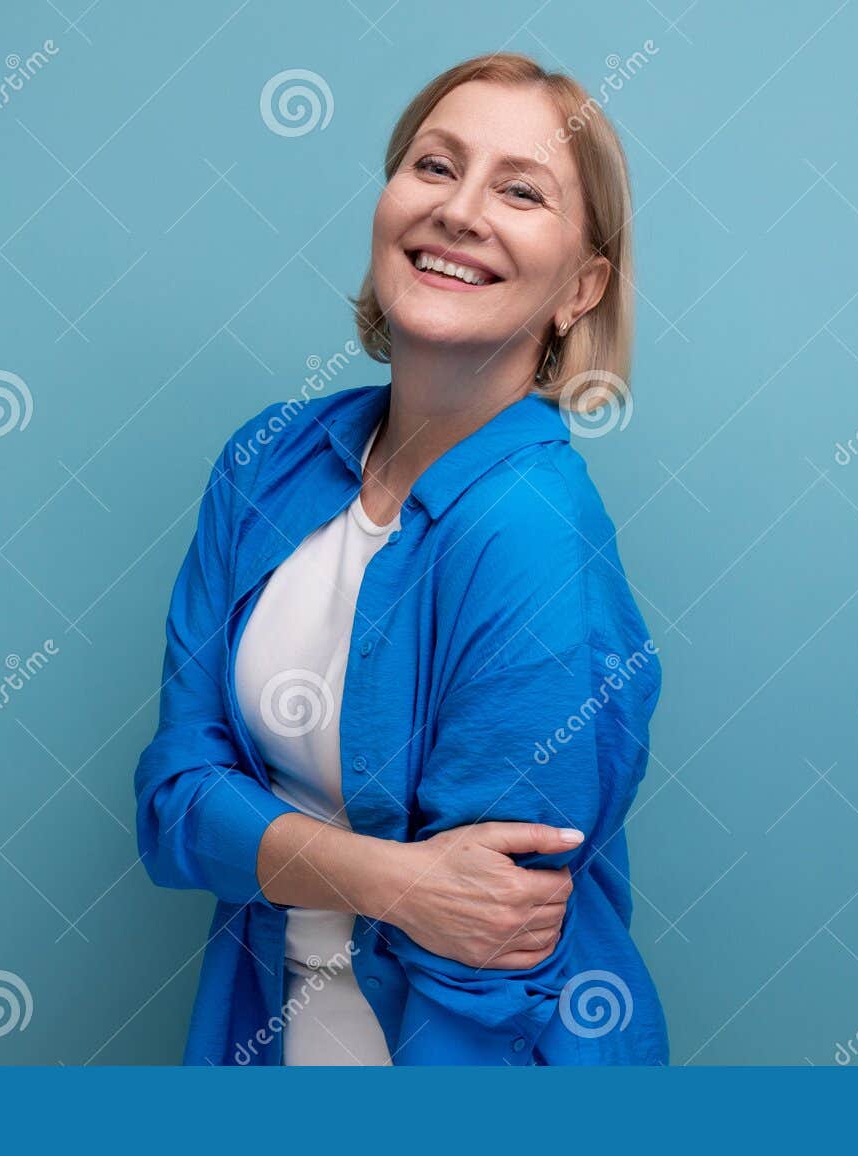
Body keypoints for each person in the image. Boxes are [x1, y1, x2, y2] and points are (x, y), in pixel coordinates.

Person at [134, 51, 667, 1065]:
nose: (460, 211)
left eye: (520, 189)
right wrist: (393, 880)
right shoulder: (266, 461)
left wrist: (295, 857)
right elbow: (172, 803)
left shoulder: (530, 531)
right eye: (434, 166)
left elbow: (486, 934)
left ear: (580, 286)